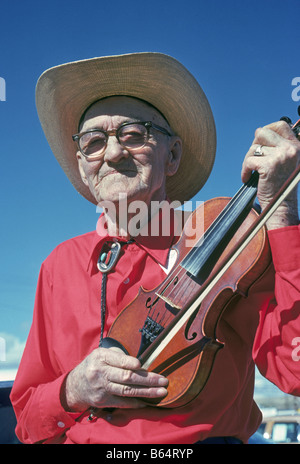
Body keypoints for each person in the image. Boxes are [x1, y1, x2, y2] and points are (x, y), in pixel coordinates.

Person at [10, 53, 300, 444]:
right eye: (95, 142)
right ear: (83, 166)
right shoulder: (58, 265)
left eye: (134, 134)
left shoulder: (233, 244)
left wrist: (280, 209)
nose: (113, 153)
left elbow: (294, 372)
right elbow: (26, 421)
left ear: (173, 155)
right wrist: (72, 390)